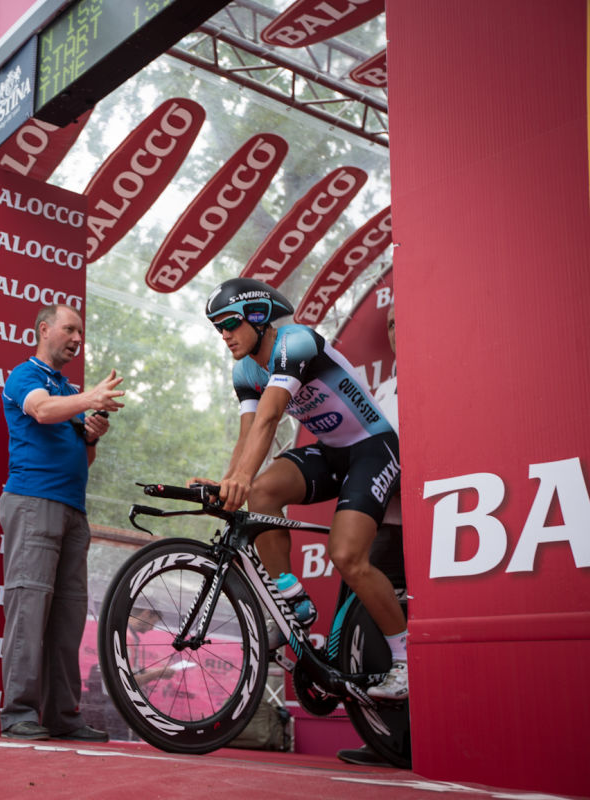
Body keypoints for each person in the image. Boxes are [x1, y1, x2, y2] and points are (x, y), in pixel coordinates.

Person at [193, 278, 408, 701]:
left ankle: (404, 660)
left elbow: (271, 415)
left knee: (347, 556)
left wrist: (240, 479)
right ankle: (292, 601)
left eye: (230, 323)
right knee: (263, 492)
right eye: (217, 327)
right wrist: (228, 480)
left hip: (373, 447)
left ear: (259, 317)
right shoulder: (245, 370)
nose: (224, 335)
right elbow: (248, 433)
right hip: (332, 451)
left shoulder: (296, 341)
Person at [0, 303, 125, 742]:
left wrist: (91, 436)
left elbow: (82, 458)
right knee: (28, 610)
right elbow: (42, 411)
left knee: (68, 617)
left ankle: (62, 715)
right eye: (70, 329)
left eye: (80, 333)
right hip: (34, 502)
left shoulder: (68, 389)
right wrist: (88, 400)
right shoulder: (25, 375)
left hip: (73, 508)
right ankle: (17, 714)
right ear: (44, 329)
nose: (77, 339)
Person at [337, 301, 404, 768]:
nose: (398, 330)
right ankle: (382, 737)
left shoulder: (442, 377)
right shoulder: (385, 388)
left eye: (406, 321)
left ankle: (405, 738)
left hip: (426, 522)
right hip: (383, 522)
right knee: (369, 630)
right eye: (392, 323)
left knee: (407, 633)